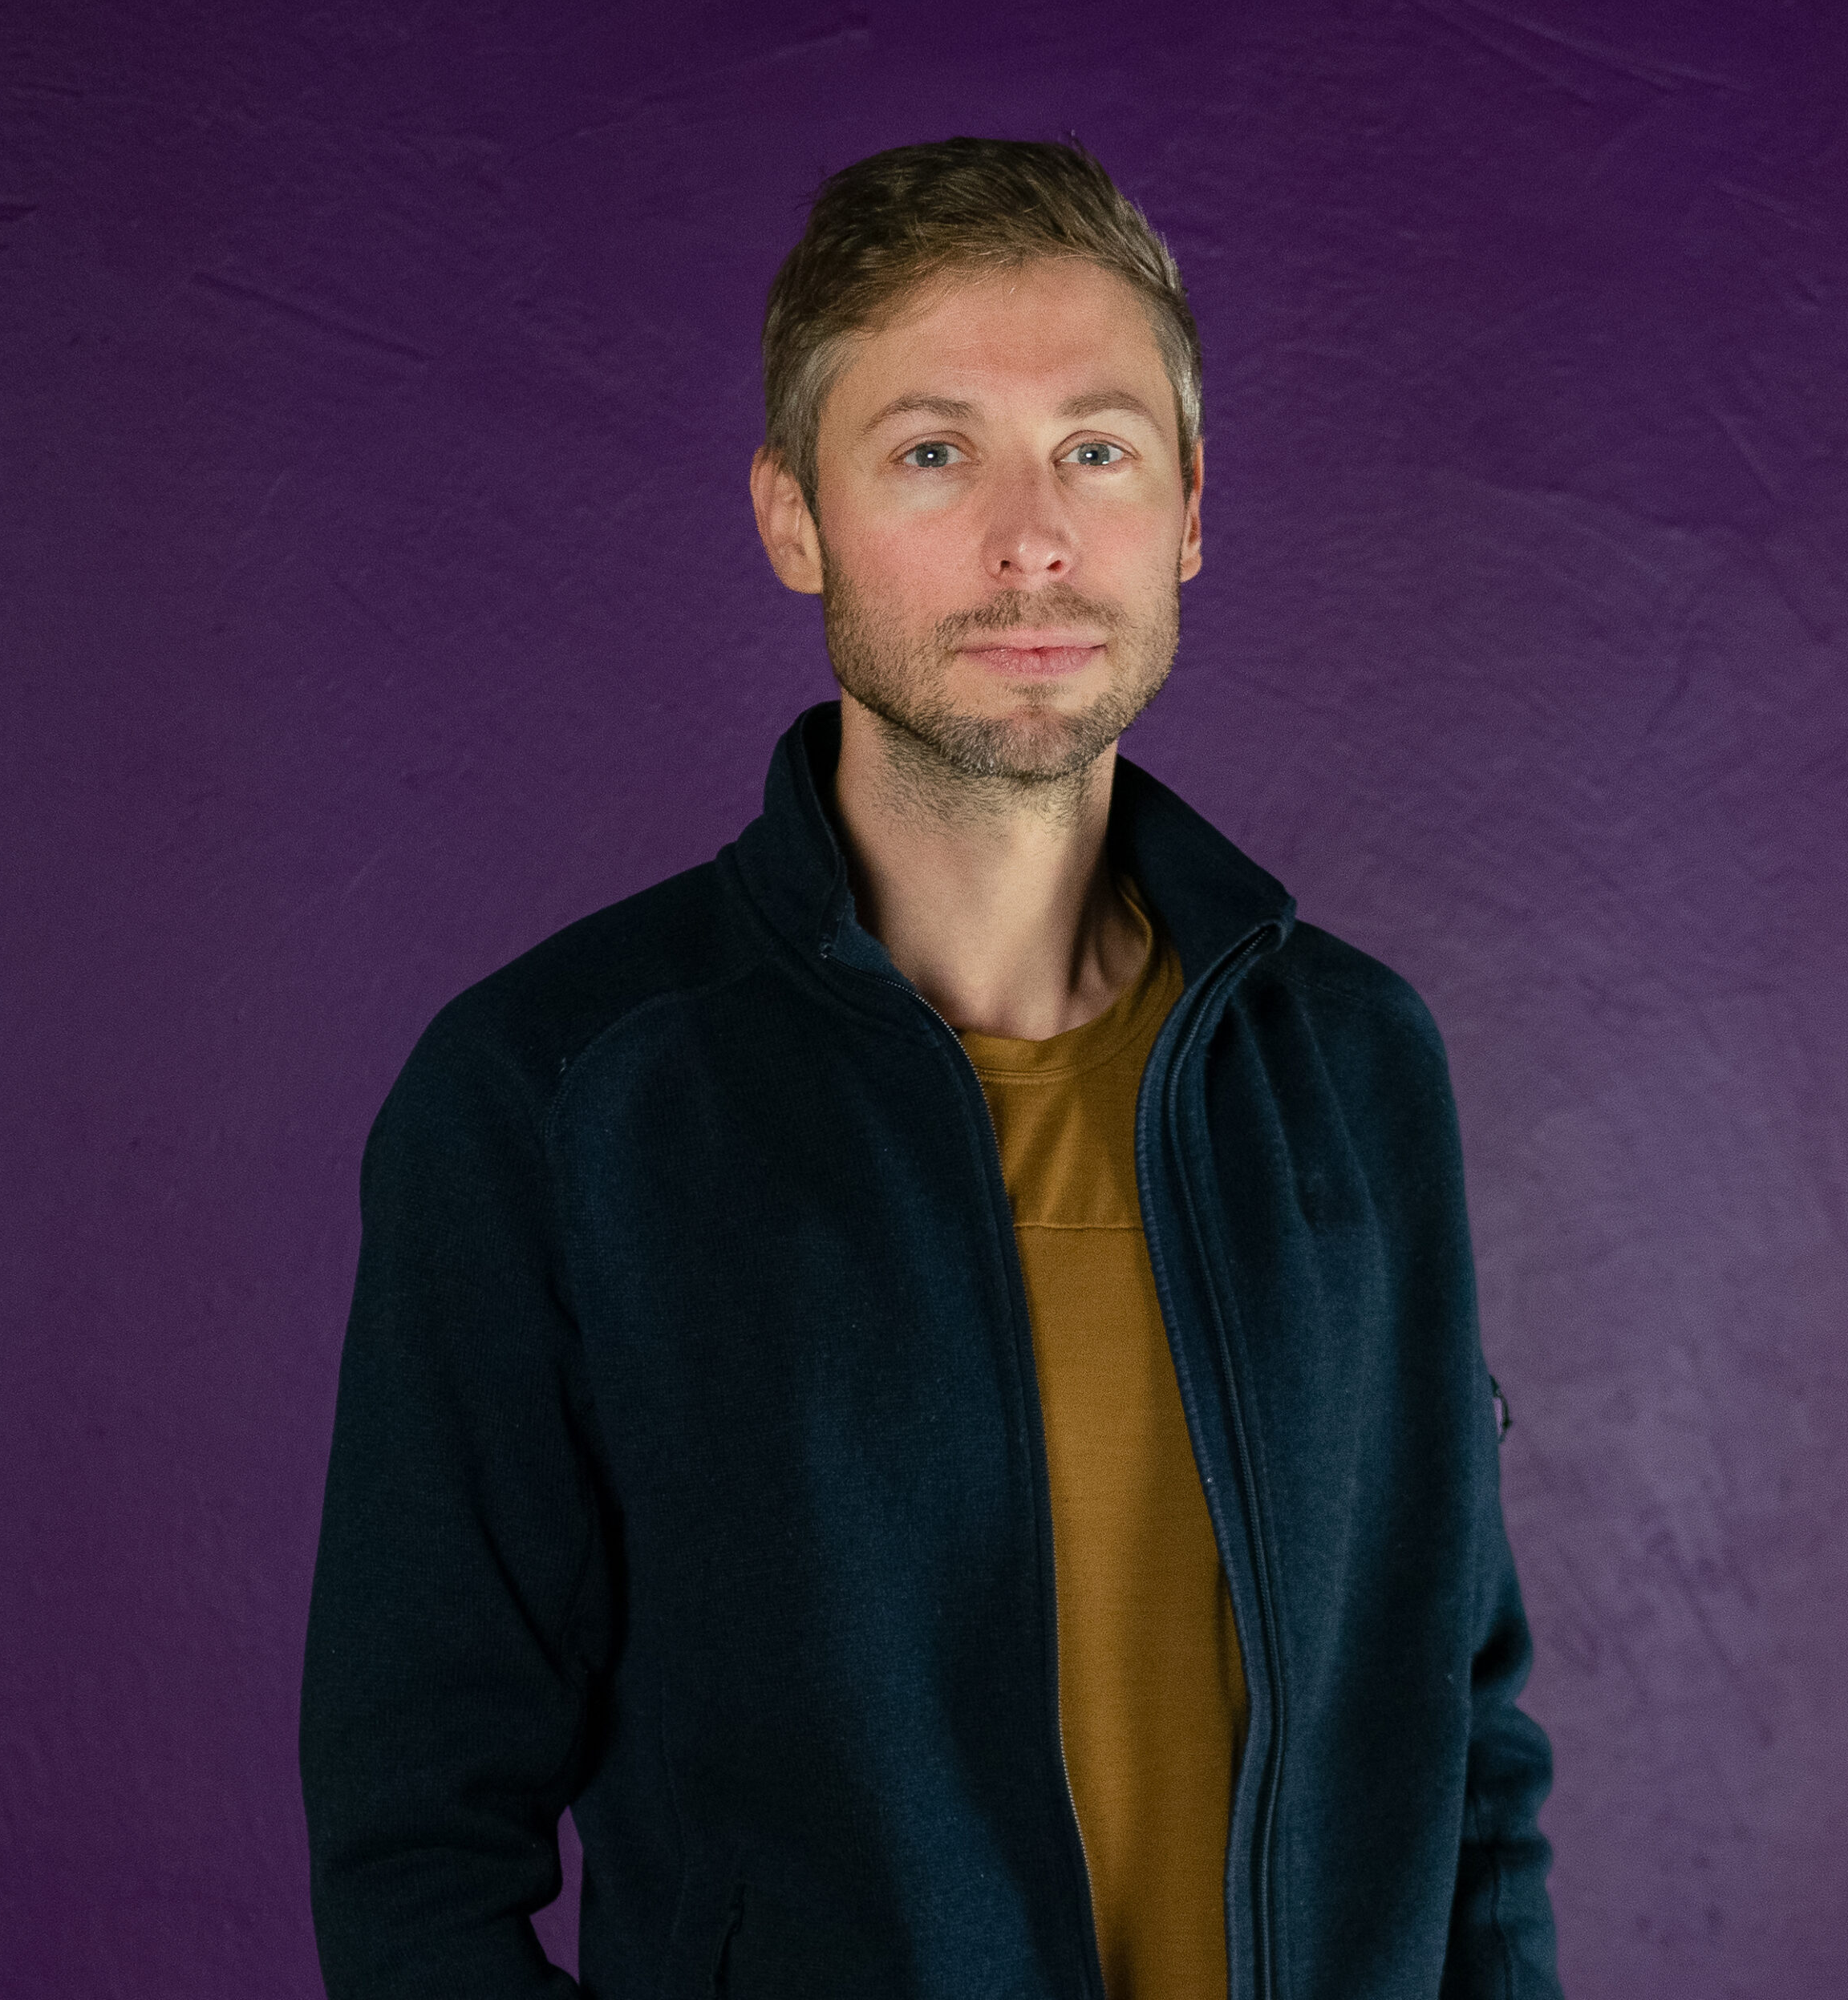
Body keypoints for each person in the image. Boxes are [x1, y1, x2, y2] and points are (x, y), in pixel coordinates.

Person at [300, 136, 1562, 2000]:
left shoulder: (1357, 1068)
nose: (1030, 535)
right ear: (790, 516)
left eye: (1095, 447)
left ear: (1190, 508)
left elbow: (1465, 1751)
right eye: (930, 449)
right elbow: (415, 1836)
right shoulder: (557, 1096)